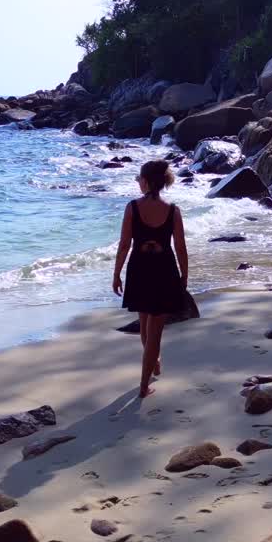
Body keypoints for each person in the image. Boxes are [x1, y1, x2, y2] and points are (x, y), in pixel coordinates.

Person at [112, 159, 189, 398]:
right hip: (165, 271)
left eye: (138, 179)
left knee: (145, 325)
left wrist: (116, 274)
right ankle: (149, 374)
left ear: (145, 181)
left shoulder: (132, 207)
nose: (138, 183)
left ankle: (147, 378)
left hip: (139, 270)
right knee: (153, 330)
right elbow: (180, 247)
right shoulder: (173, 210)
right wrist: (184, 276)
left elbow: (125, 245)